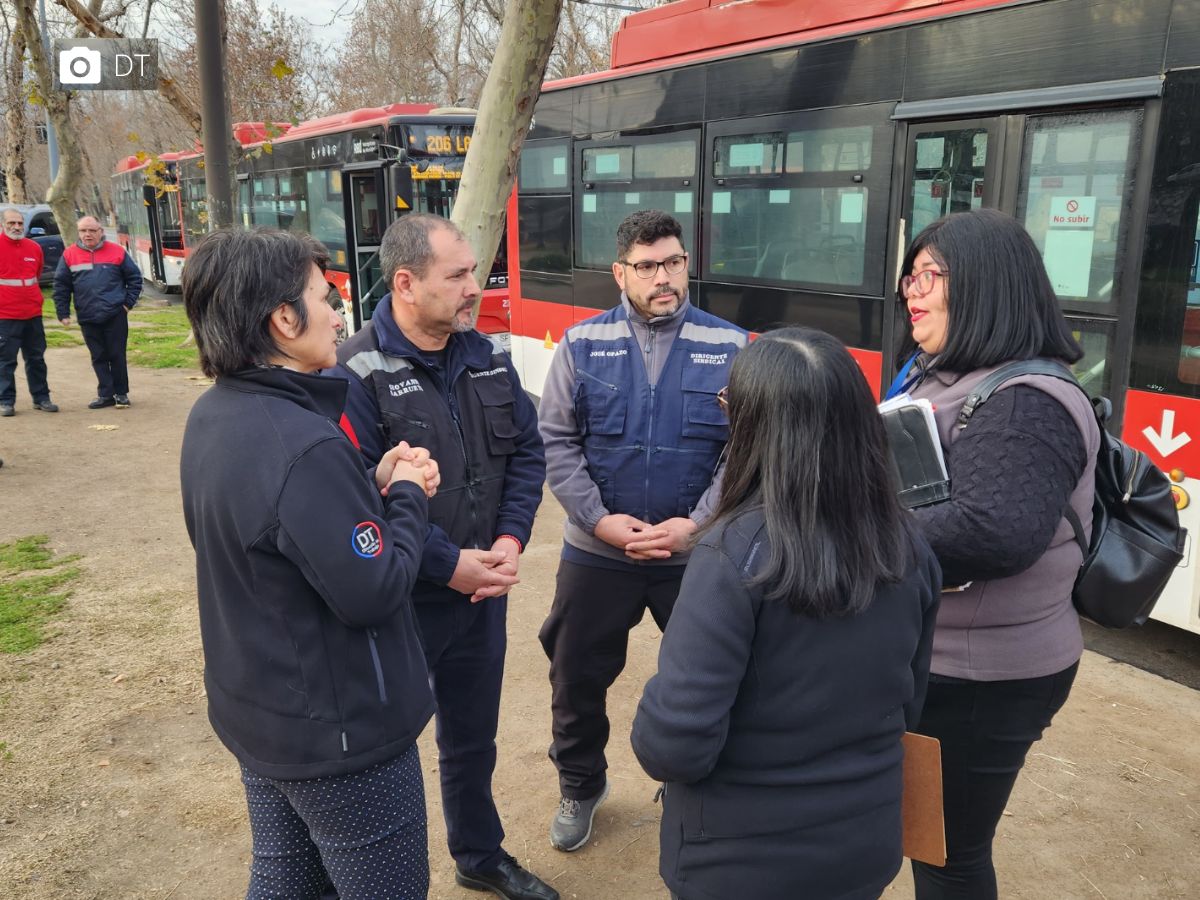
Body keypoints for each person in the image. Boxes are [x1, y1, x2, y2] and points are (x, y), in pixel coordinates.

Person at [629, 326, 941, 900]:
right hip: (864, 846)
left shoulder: (731, 553)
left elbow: (673, 745)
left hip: (739, 862)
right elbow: (910, 700)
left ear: (754, 426)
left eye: (729, 404)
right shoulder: (909, 544)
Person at [179, 228, 441, 899]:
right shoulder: (302, 442)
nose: (338, 315)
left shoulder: (215, 414)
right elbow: (374, 590)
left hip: (265, 715)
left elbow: (278, 539)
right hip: (343, 737)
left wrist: (365, 486)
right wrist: (407, 494)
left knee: (287, 880)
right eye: (325, 299)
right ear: (284, 320)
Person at [334, 214, 554, 900]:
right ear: (406, 283)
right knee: (385, 748)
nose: (474, 287)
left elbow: (528, 454)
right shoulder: (354, 371)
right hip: (402, 600)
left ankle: (478, 856)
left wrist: (509, 542)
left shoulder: (487, 354)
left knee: (472, 739)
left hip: (482, 593)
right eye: (457, 276)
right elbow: (358, 496)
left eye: (473, 272)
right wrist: (447, 563)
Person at [891, 208, 1100, 900]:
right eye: (910, 275)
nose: (912, 290)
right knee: (924, 838)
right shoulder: (945, 373)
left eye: (931, 275)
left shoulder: (1025, 401)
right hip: (941, 657)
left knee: (946, 853)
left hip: (982, 677)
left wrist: (851, 522)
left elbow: (994, 532)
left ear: (986, 283)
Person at [537, 209, 746, 852]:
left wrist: (697, 524)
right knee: (575, 675)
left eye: (674, 262)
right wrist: (598, 521)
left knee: (715, 676)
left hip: (696, 555)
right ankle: (581, 785)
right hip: (597, 553)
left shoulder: (732, 347)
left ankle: (698, 785)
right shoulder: (581, 343)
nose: (664, 277)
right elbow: (556, 441)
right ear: (620, 272)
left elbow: (746, 449)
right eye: (648, 266)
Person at [54, 215, 142, 409]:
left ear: (101, 232)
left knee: (117, 355)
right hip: (87, 315)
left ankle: (121, 394)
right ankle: (106, 394)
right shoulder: (69, 254)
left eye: (92, 230)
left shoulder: (117, 252)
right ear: (78, 233)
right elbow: (61, 286)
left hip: (115, 314)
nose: (88, 234)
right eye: (83, 231)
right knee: (98, 356)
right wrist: (63, 313)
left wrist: (127, 304)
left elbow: (135, 278)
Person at [0, 206, 57, 416]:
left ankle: (41, 398)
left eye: (19, 223)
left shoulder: (34, 248)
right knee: (5, 361)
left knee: (36, 359)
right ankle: (6, 401)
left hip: (33, 313)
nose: (16, 227)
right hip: (5, 315)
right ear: (2, 225)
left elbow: (37, 274)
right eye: (11, 223)